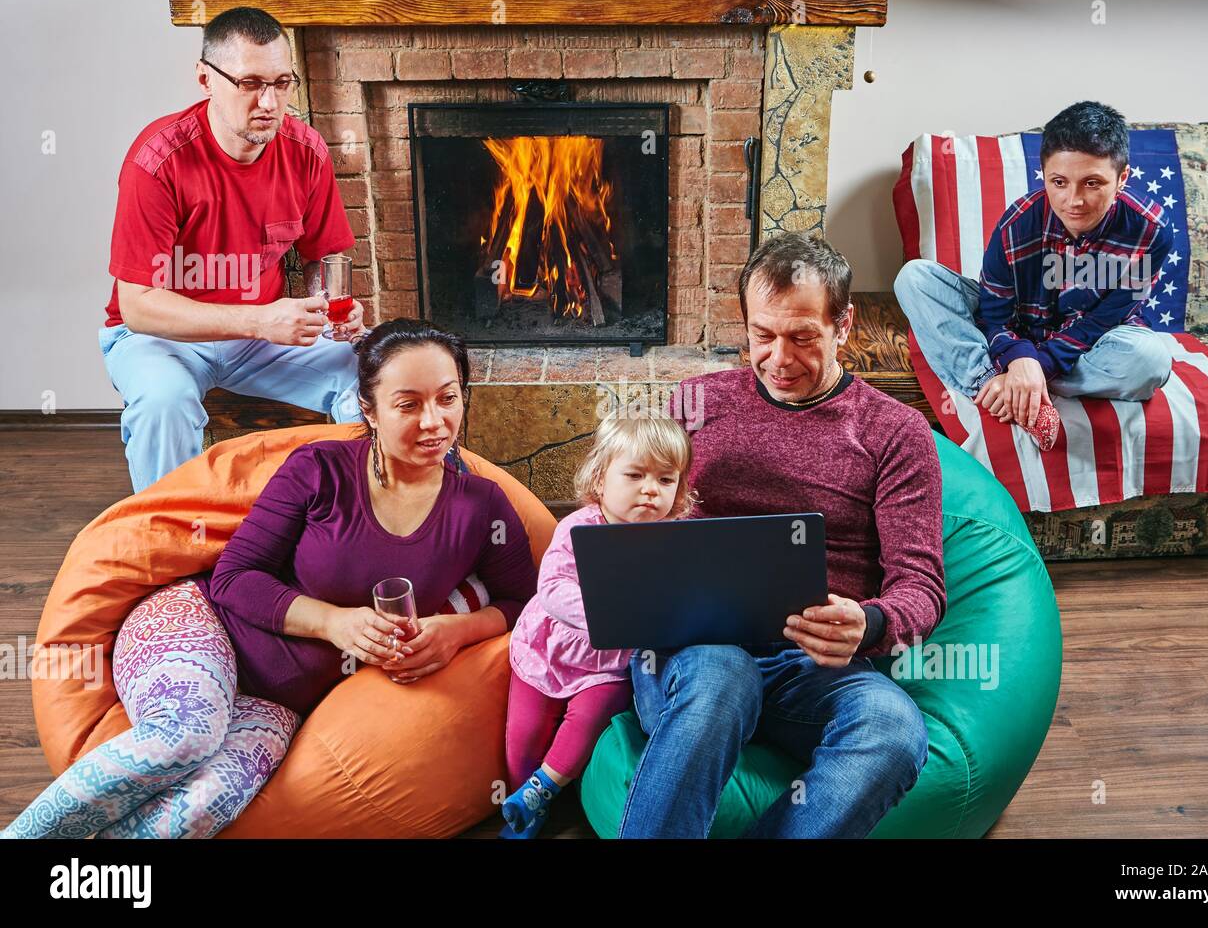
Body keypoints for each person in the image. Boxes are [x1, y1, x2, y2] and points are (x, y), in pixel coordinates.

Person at [2, 320, 537, 838]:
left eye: (448, 398)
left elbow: (521, 599)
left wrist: (455, 632)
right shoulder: (320, 468)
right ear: (368, 410)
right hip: (203, 624)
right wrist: (333, 623)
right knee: (186, 734)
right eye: (408, 405)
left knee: (199, 811)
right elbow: (234, 576)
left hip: (279, 703)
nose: (434, 422)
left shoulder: (480, 505)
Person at [617, 232, 945, 839]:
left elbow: (921, 585)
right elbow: (631, 511)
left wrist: (869, 622)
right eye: (762, 336)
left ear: (844, 326)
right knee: (723, 677)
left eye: (802, 337)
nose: (778, 359)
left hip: (811, 665)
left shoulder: (896, 432)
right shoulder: (692, 402)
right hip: (696, 655)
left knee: (893, 730)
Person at [100, 6, 365, 492]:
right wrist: (260, 320)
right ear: (205, 78)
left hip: (260, 340)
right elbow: (138, 307)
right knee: (164, 400)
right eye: (249, 83)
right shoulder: (158, 161)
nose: (269, 101)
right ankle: (170, 553)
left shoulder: (306, 151)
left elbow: (323, 260)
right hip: (160, 338)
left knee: (372, 372)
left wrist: (331, 305)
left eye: (282, 83)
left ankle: (355, 527)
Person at [894, 101, 1175, 451]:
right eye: (1059, 182)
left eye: (1092, 183)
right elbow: (995, 312)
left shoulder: (1151, 232)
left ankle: (1013, 387)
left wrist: (1036, 365)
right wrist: (1018, 354)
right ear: (1043, 174)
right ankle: (994, 381)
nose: (1073, 200)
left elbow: (1103, 322)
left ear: (1121, 179)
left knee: (1150, 360)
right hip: (1018, 328)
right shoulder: (1017, 223)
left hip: (1090, 344)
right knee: (915, 278)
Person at [501, 413, 697, 838]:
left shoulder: (672, 539)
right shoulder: (579, 528)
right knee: (524, 731)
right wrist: (613, 610)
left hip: (610, 662)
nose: (650, 489)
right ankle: (522, 801)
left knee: (589, 720)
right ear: (600, 478)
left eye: (666, 481)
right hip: (549, 649)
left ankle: (544, 787)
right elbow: (552, 588)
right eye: (635, 475)